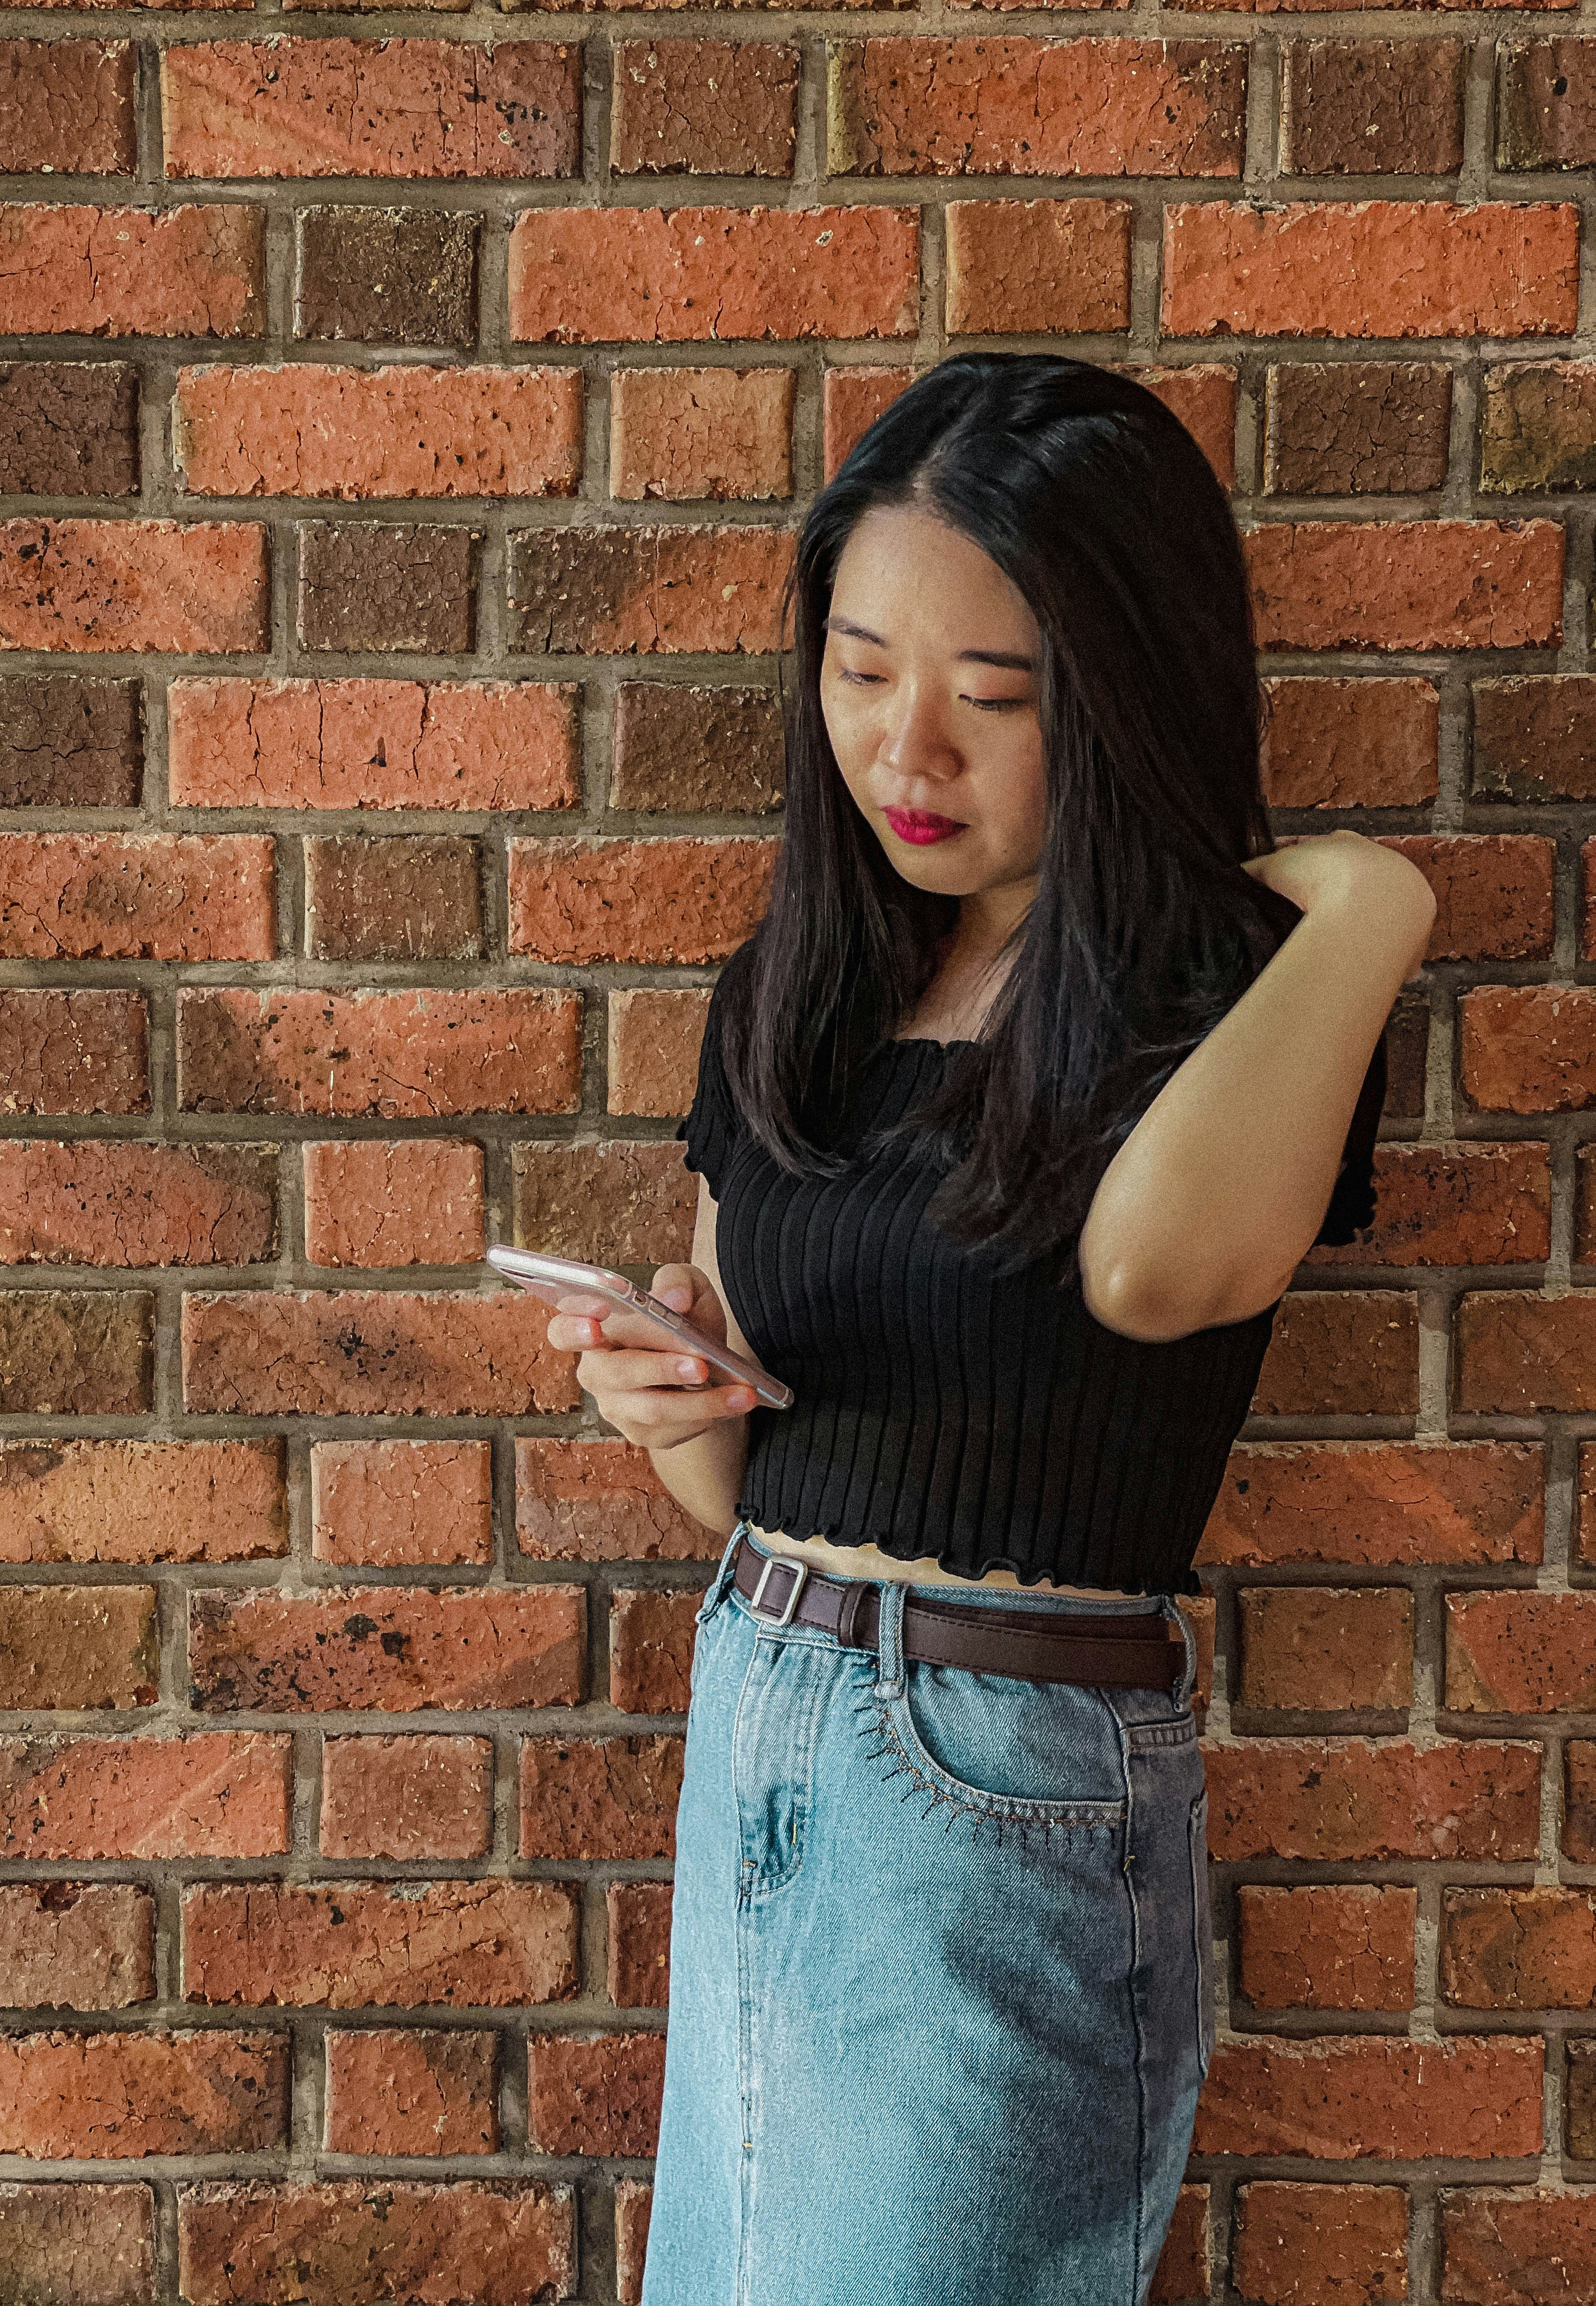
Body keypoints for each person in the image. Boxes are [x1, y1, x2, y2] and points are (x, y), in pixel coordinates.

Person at [539, 352, 1436, 2306]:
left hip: (1004, 1783)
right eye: (862, 674)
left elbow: (1153, 1277)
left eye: (993, 697)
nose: (907, 753)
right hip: (765, 1707)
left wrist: (1368, 896)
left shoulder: (1226, 996)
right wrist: (665, 1390)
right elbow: (745, 1473)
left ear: (1117, 690)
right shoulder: (806, 979)